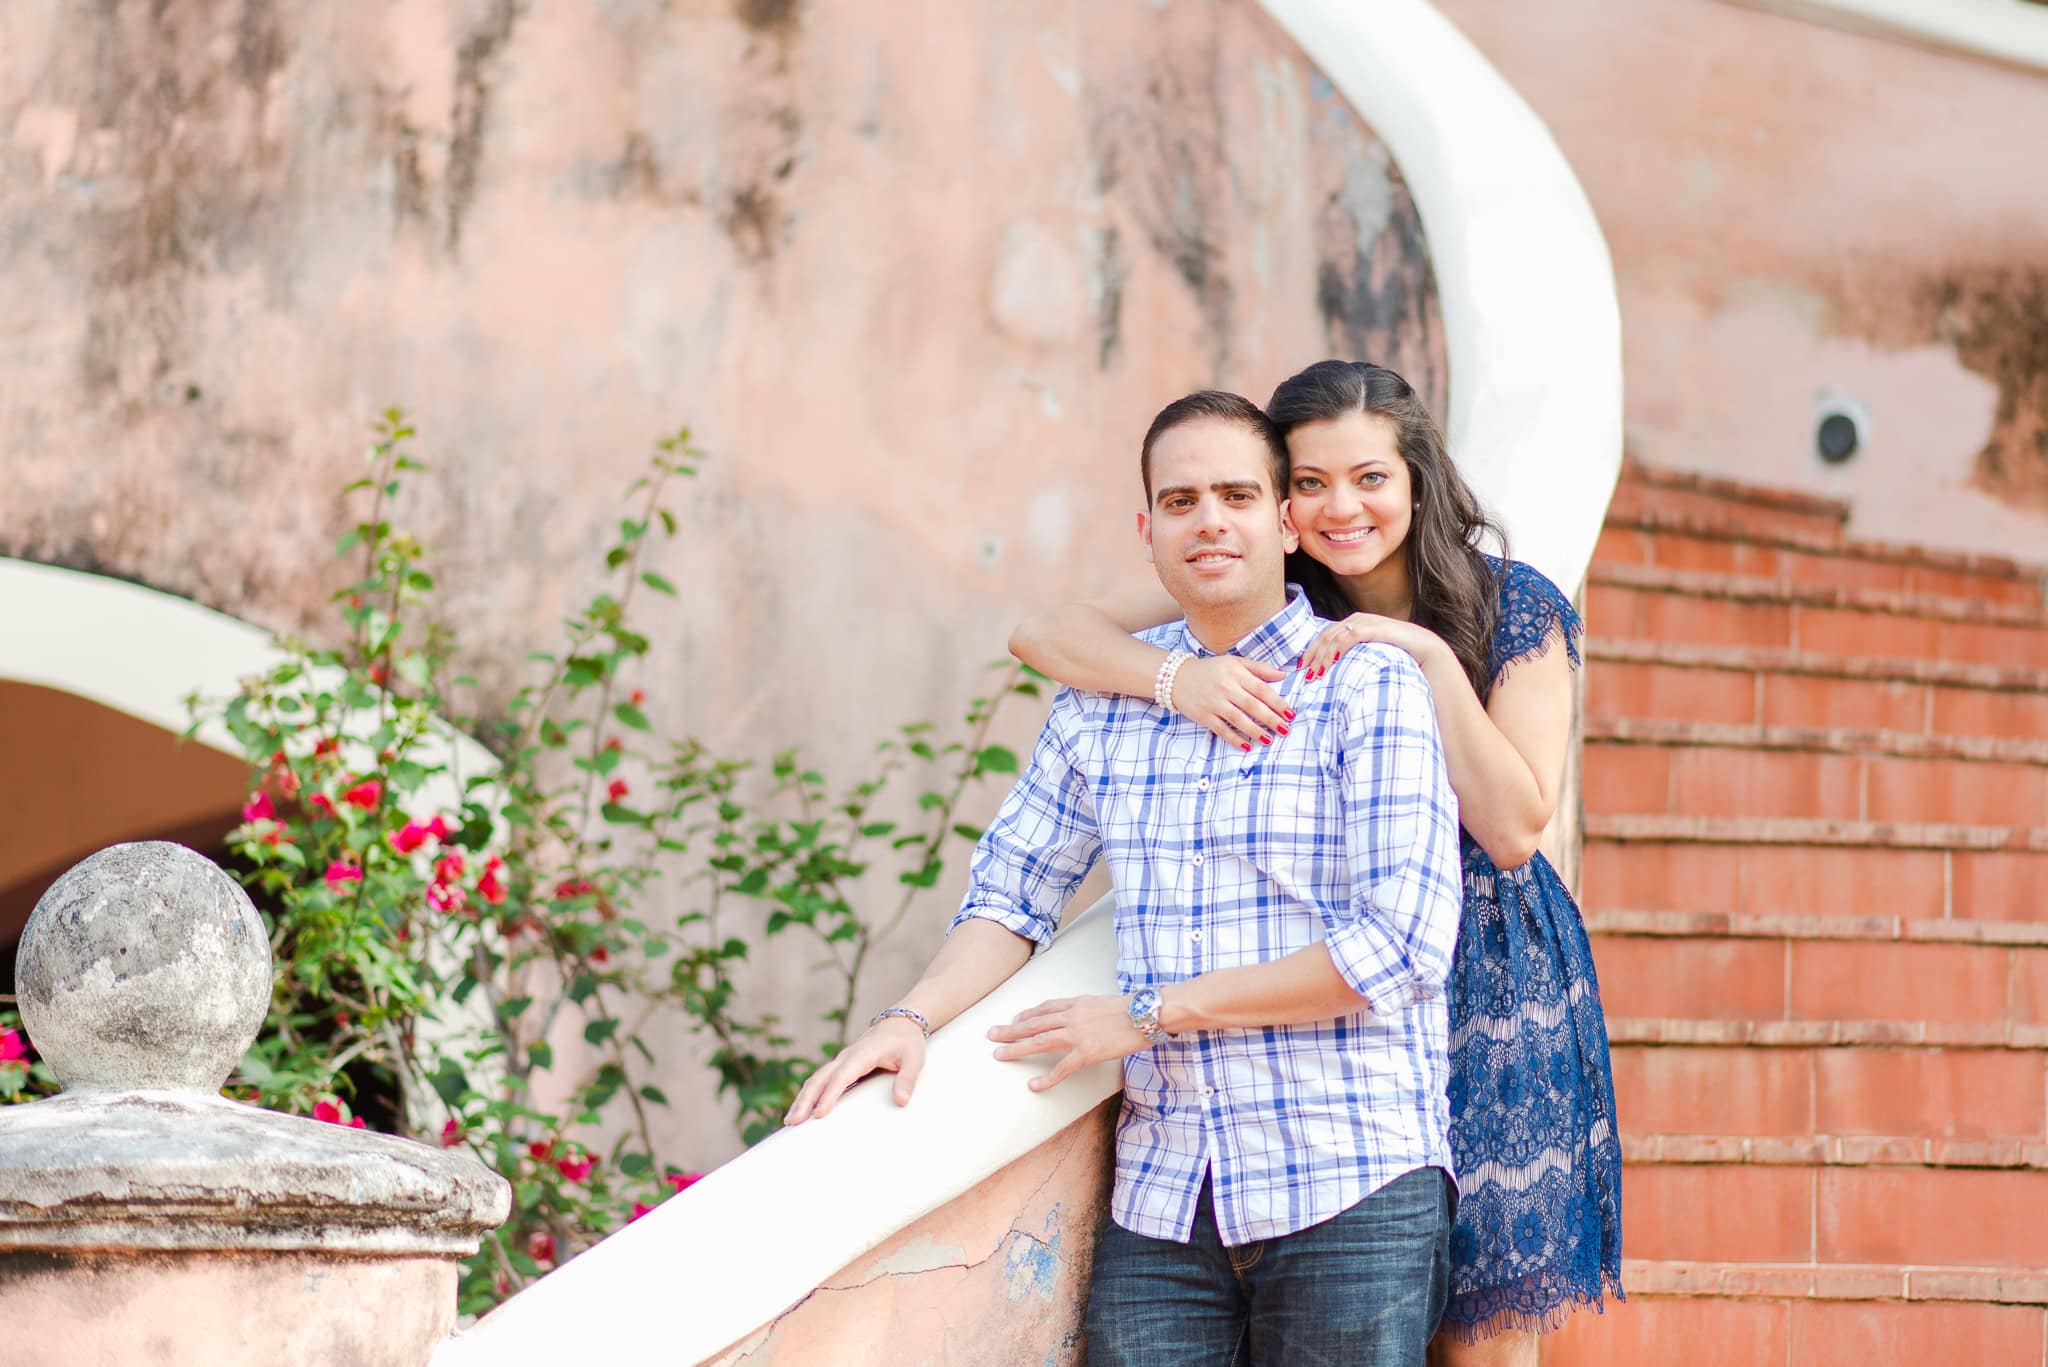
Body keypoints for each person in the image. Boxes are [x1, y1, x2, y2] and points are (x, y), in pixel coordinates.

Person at [788, 389, 1465, 1366]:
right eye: (1180, 499)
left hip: (1349, 1171)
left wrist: (1147, 1013)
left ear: (1283, 519)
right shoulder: (1103, 705)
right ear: (1145, 528)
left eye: (1235, 493)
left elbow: (1399, 948)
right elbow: (1009, 896)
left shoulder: (1366, 687)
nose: (1209, 519)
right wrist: (908, 1018)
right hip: (1165, 1191)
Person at [1008, 361, 1624, 1365]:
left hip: (1487, 970)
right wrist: (1184, 678)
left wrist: (1420, 654)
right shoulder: (1277, 586)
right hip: (1324, 1004)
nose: (1341, 507)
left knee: (1481, 1331)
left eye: (1369, 477)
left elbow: (1514, 825)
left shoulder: (1507, 604)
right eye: (1310, 481)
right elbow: (1043, 632)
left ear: (1416, 479)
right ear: (1284, 502)